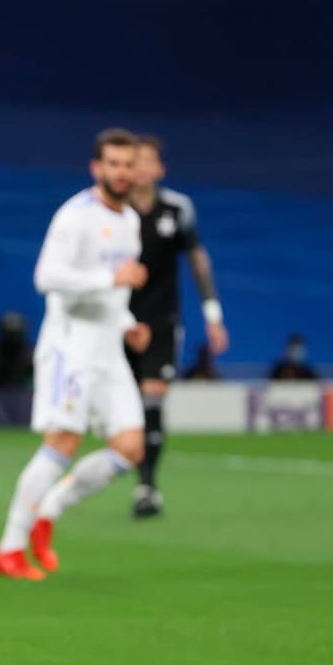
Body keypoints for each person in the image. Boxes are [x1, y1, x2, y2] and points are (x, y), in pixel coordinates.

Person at [0, 128, 151, 581]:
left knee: (130, 448)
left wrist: (128, 323)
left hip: (108, 349)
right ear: (97, 167)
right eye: (113, 164)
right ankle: (10, 547)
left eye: (128, 165)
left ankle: (49, 511)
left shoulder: (130, 221)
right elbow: (47, 278)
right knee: (63, 442)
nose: (121, 172)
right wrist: (111, 279)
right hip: (70, 346)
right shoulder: (75, 216)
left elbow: (115, 291)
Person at [125, 134, 229, 518]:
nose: (141, 168)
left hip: (162, 321)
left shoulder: (177, 208)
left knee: (152, 401)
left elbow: (198, 261)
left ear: (160, 169)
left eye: (147, 161)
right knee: (126, 411)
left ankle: (147, 487)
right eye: (134, 161)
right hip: (118, 324)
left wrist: (213, 315)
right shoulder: (112, 211)